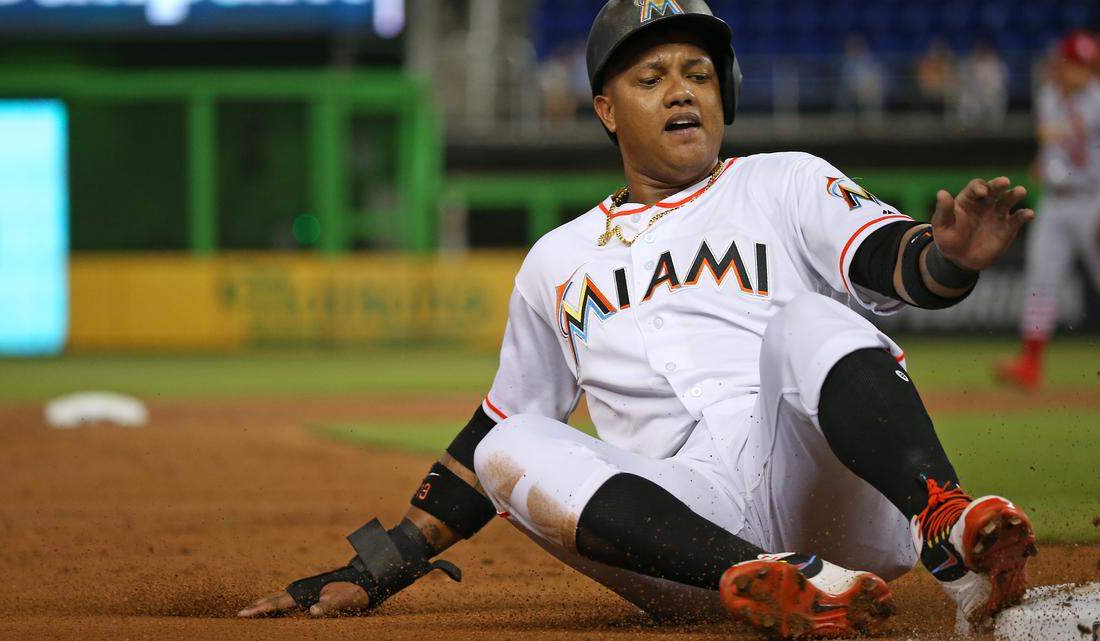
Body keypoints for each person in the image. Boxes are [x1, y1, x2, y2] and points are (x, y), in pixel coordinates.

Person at [238, 2, 1038, 637]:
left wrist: (949, 260)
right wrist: (379, 566)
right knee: (507, 444)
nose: (683, 89)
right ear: (606, 109)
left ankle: (942, 515)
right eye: (651, 76)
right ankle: (774, 577)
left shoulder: (783, 183)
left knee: (805, 318)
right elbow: (493, 431)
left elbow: (895, 260)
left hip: (821, 482)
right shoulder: (557, 258)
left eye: (698, 72)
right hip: (682, 539)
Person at [997, 30, 1100, 390]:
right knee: (1041, 280)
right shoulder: (1049, 96)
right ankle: (1030, 362)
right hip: (1057, 200)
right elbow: (1055, 144)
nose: (1079, 71)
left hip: (1093, 199)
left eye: (1085, 65)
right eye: (1074, 64)